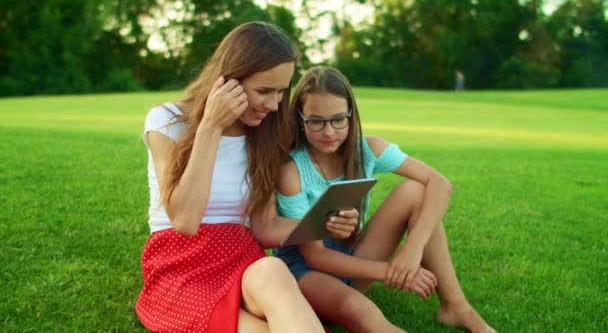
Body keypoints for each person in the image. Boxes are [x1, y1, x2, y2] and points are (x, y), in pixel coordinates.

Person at [134, 23, 359, 333]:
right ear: (226, 82)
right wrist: (211, 127)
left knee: (273, 268)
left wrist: (324, 221)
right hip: (182, 262)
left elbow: (265, 227)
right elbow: (185, 219)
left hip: (242, 256)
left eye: (281, 91)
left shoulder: (264, 135)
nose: (275, 104)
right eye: (264, 91)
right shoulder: (167, 121)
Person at [274, 66, 496, 333]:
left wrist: (413, 248)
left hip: (351, 258)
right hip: (306, 274)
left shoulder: (367, 148)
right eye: (316, 121)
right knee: (360, 310)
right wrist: (391, 271)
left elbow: (439, 183)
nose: (329, 131)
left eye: (338, 119)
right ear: (300, 119)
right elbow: (317, 256)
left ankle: (456, 307)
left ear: (351, 115)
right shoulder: (292, 170)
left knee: (416, 191)